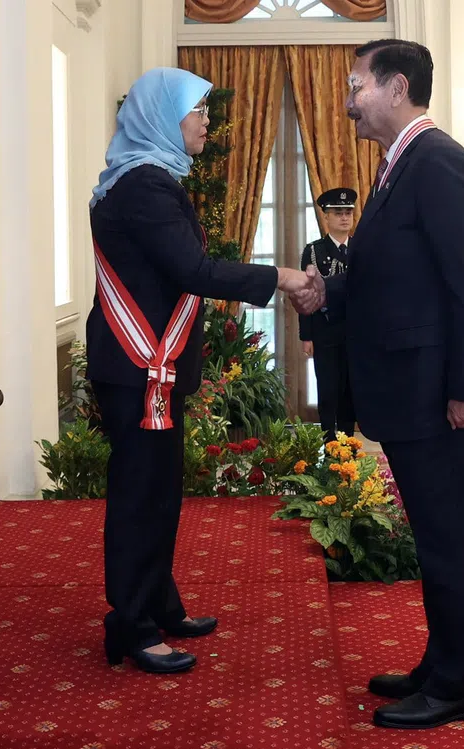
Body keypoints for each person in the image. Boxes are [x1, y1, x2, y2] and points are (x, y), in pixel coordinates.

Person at [293, 39, 464, 730]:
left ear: (397, 87)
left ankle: (459, 688)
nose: (348, 99)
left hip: (440, 397)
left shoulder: (439, 163)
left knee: (450, 540)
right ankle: (439, 665)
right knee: (436, 537)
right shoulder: (398, 165)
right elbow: (398, 279)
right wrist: (330, 290)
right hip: (413, 393)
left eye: (356, 84)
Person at [85, 67, 323, 675]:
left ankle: (158, 605)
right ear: (163, 116)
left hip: (148, 368)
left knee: (160, 493)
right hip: (141, 366)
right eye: (197, 110)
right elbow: (192, 269)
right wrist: (281, 276)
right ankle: (131, 626)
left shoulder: (149, 178)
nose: (207, 121)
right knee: (141, 497)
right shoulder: (145, 185)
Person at [299, 187, 357, 442]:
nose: (344, 218)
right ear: (326, 217)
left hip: (356, 331)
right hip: (325, 329)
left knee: (350, 389)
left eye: (348, 213)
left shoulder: (361, 249)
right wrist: (306, 335)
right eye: (338, 213)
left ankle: (348, 442)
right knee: (328, 387)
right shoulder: (314, 252)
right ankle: (328, 440)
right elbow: (305, 297)